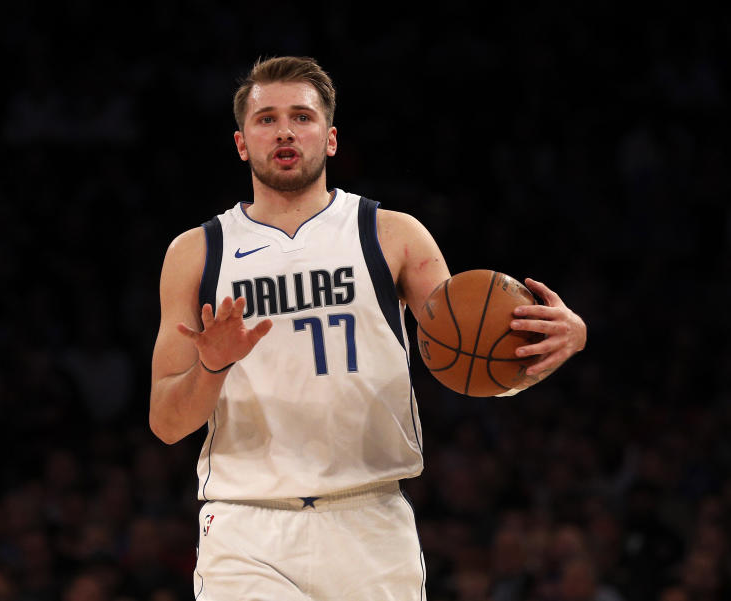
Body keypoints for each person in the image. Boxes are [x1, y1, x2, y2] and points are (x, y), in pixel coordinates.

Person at [149, 55, 587, 600]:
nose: (285, 130)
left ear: (330, 139)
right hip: (246, 525)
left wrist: (565, 338)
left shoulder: (393, 235)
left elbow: (472, 357)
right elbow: (166, 423)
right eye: (266, 119)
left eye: (302, 117)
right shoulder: (196, 253)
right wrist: (213, 365)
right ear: (242, 143)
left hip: (371, 519)